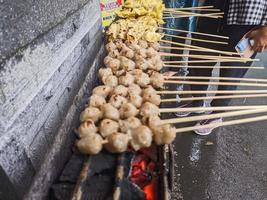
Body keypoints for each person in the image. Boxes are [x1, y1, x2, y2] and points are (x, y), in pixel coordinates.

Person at [179, 0, 267, 135]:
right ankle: (197, 101)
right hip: (213, 9)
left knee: (231, 73)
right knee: (198, 61)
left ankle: (216, 114)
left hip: (246, 20)